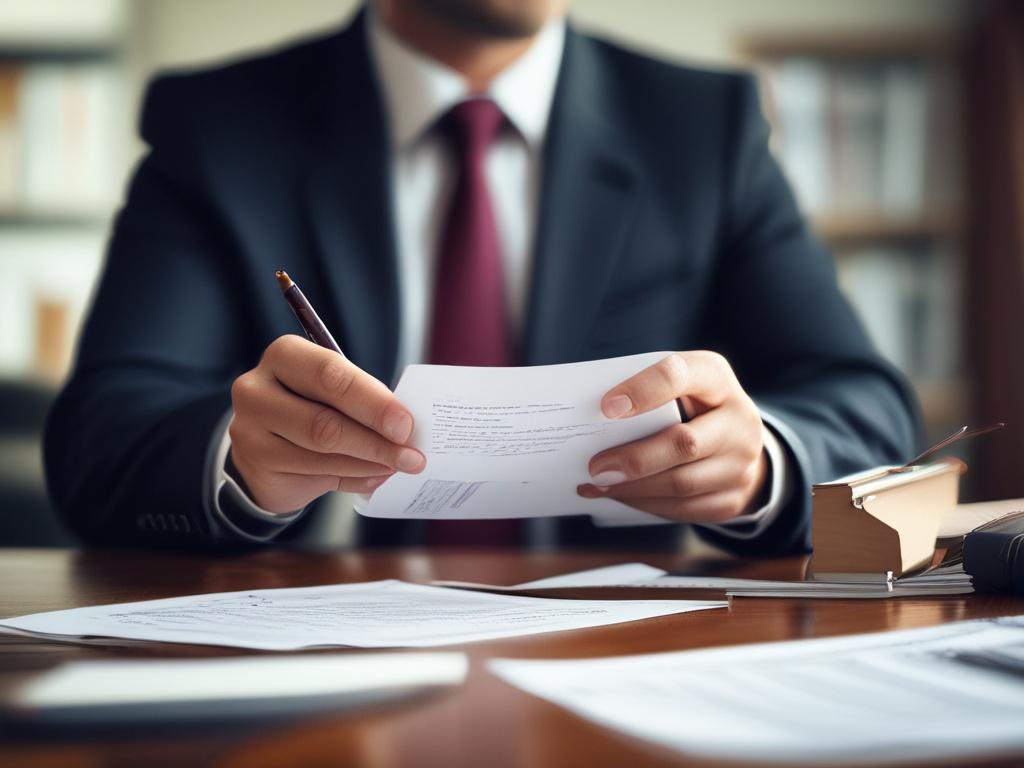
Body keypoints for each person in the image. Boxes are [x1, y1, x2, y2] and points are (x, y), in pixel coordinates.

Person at [45, 0, 919, 553]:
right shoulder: (218, 126)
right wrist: (237, 461)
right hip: (301, 643)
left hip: (622, 654)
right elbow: (102, 442)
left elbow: (869, 412)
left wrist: (758, 465)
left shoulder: (704, 126)